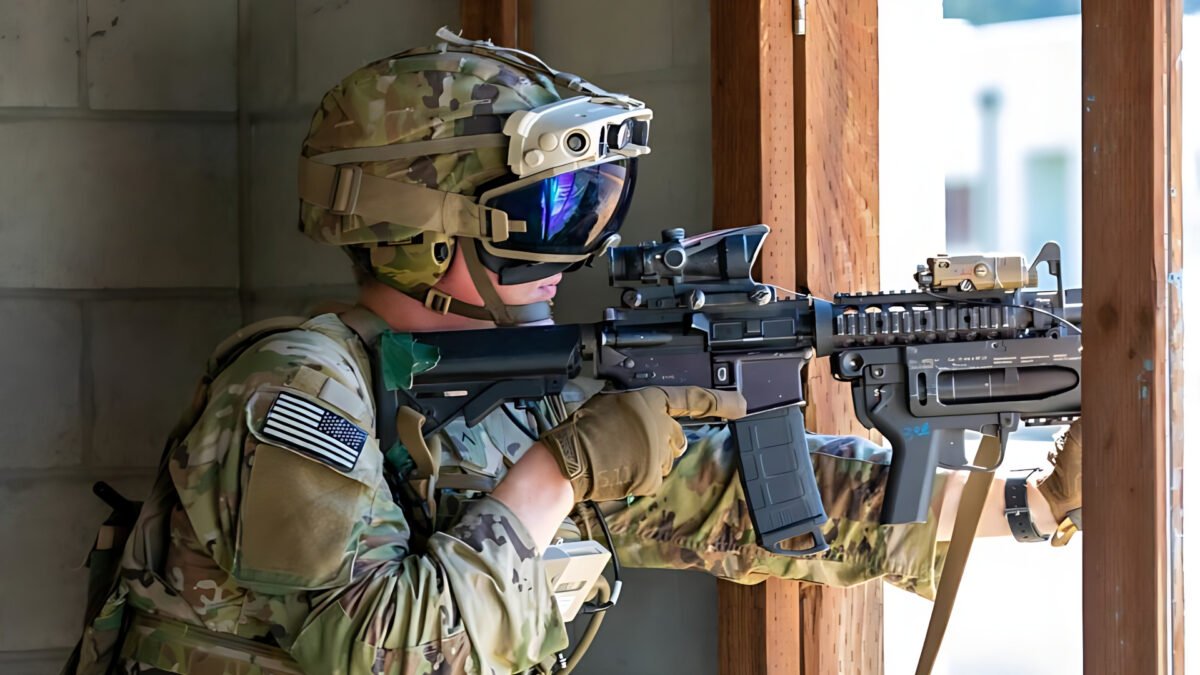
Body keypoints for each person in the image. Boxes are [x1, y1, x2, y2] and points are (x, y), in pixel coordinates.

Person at [63, 30, 1082, 675]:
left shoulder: (516, 388)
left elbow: (756, 504)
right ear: (427, 231)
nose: (575, 247)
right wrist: (561, 471)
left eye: (593, 206)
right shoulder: (292, 391)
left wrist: (1037, 504)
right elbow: (390, 653)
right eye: (542, 213)